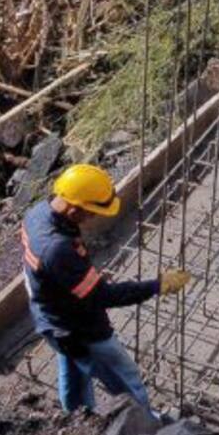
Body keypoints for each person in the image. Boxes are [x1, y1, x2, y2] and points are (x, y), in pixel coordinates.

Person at [21, 163, 191, 414]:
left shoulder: (36, 214)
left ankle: (76, 419)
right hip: (80, 328)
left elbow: (49, 271)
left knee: (74, 370)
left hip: (52, 319)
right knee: (125, 380)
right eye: (90, 213)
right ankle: (148, 425)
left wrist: (77, 276)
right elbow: (103, 296)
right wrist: (157, 285)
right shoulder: (57, 249)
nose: (92, 218)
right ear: (73, 208)